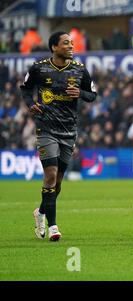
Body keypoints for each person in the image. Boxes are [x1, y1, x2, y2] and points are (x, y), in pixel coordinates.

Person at [20, 31, 97, 241]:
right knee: (51, 175)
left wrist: (81, 94)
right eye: (66, 43)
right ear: (54, 47)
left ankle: (41, 213)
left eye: (72, 43)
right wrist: (30, 104)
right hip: (46, 128)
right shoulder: (39, 68)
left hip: (69, 130)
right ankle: (53, 226)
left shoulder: (80, 70)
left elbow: (92, 94)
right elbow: (25, 89)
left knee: (58, 182)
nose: (71, 46)